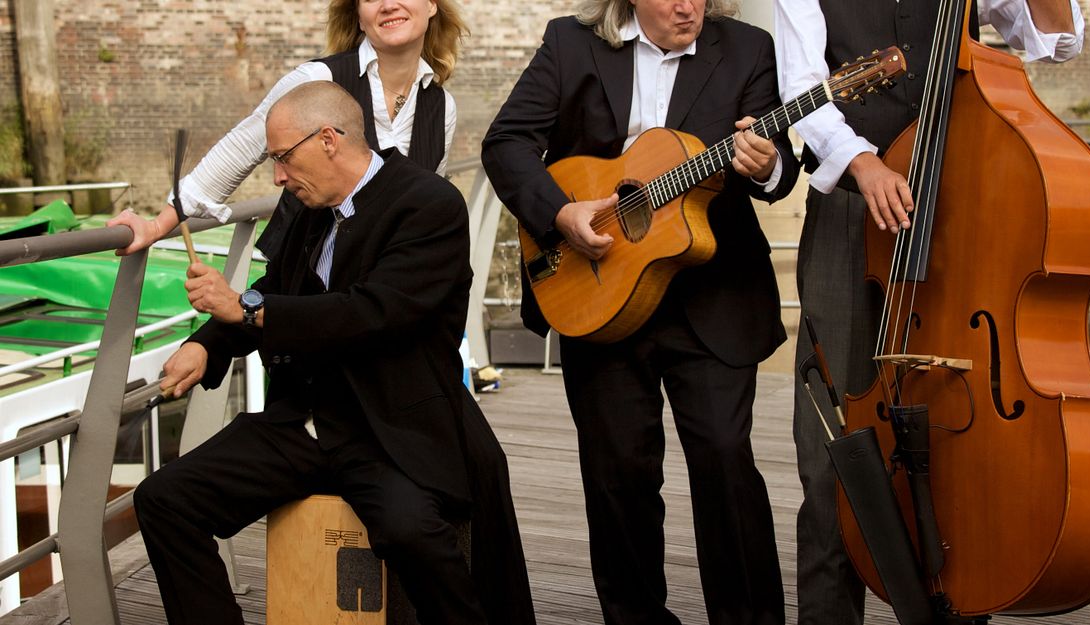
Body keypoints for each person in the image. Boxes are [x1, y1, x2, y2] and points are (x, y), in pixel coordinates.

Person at [133, 82, 533, 625]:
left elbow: (370, 314)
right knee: (164, 499)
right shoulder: (306, 206)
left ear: (327, 139)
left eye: (281, 158)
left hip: (386, 432)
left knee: (414, 535)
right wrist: (207, 342)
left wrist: (248, 313)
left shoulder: (428, 204)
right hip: (301, 425)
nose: (276, 176)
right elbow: (274, 285)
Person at [482, 1, 798, 623]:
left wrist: (768, 167)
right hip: (597, 285)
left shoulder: (748, 48)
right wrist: (558, 213)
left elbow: (778, 165)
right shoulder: (570, 44)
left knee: (725, 462)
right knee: (617, 474)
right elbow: (508, 141)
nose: (689, 6)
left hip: (712, 289)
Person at [772, 1, 1086, 623]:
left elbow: (1057, 40)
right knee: (834, 440)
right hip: (850, 210)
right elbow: (802, 84)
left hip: (958, 203)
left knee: (956, 430)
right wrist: (862, 161)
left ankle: (962, 602)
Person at [108, 0, 466, 255]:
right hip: (305, 280)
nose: (388, 5)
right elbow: (240, 150)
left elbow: (426, 205)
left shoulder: (440, 106)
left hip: (380, 295)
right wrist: (157, 227)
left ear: (432, 5)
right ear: (359, 17)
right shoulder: (318, 78)